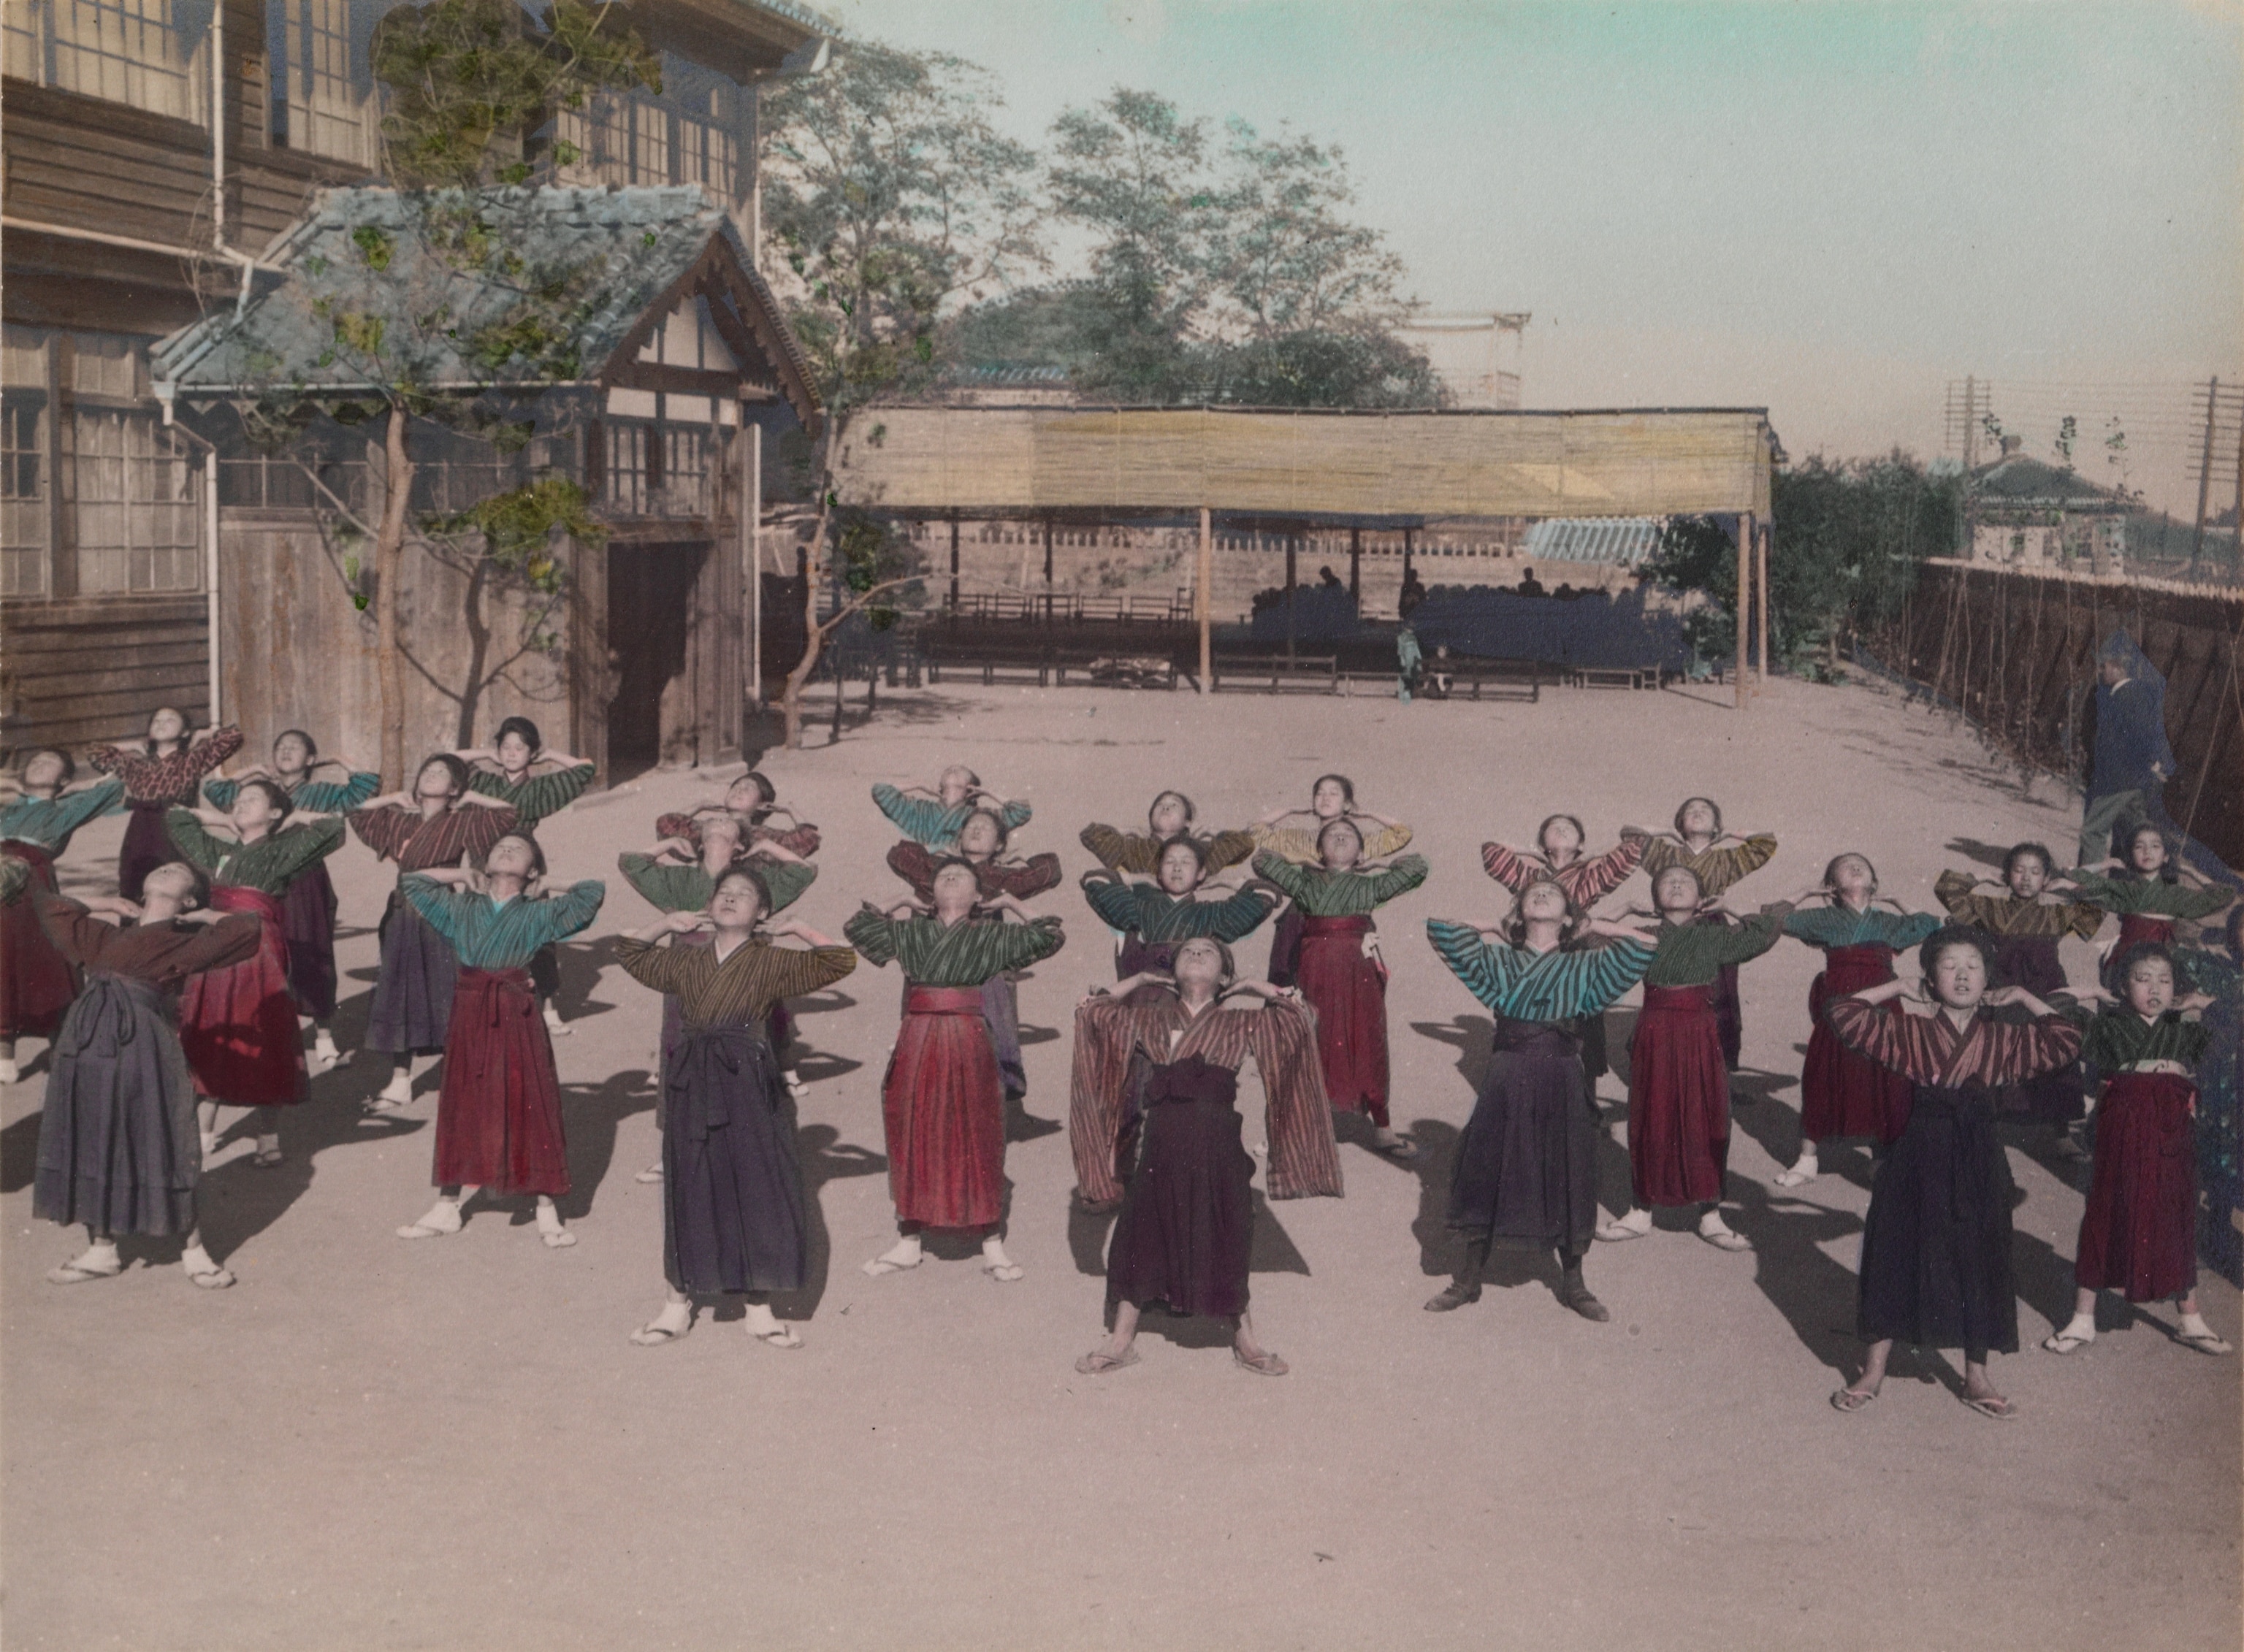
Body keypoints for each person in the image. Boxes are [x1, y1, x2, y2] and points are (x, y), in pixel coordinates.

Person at [1826, 928, 2083, 1420]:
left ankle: (1976, 1375)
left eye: (1973, 966)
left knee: (1978, 1253)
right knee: (1894, 1249)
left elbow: (2066, 1037)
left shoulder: (2004, 1038)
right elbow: (1844, 1013)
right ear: (1930, 979)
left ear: (1989, 979)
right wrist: (1896, 988)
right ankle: (1873, 1369)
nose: (1962, 974)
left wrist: (2027, 996)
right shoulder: (1911, 1032)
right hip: (1916, 1151)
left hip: (1978, 1153)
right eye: (1949, 965)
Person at [1070, 938, 1342, 1377]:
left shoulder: (1241, 1021)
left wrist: (1256, 985)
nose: (1196, 954)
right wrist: (1138, 978)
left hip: (1218, 1143)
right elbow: (1092, 1012)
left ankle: (1245, 1340)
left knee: (1229, 1228)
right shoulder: (1149, 1018)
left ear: (1225, 976)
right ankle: (1122, 1339)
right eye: (1186, 952)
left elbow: (1302, 1017)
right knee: (1142, 1230)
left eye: (1209, 953)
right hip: (1160, 1141)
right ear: (1171, 973)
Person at [614, 873, 857, 1348]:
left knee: (755, 1185)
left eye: (744, 895)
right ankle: (675, 1303)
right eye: (723, 892)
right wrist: (665, 923)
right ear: (708, 905)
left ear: (762, 914)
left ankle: (758, 1307)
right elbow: (629, 952)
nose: (730, 897)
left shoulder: (770, 960)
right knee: (689, 1182)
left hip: (747, 1077)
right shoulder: (686, 959)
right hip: (691, 1079)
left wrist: (801, 928)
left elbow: (838, 960)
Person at [1421, 882, 1657, 1320]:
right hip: (1507, 1070)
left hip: (1562, 1071)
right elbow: (1443, 931)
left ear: (1568, 916)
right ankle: (1468, 1280)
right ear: (1520, 910)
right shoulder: (1499, 959)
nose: (1542, 895)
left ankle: (1574, 1282)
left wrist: (1592, 925)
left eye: (1553, 893)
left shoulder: (1584, 965)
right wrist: (1495, 924)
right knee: (1488, 1165)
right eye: (1533, 894)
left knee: (1567, 1166)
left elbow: (1646, 946)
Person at [32, 863, 262, 1289]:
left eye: (182, 875)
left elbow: (247, 929)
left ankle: (194, 1251)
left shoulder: (183, 944)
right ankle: (102, 1249)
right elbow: (52, 908)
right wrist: (107, 902)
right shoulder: (105, 935)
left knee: (163, 1135)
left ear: (189, 899)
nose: (169, 866)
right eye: (162, 867)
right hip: (83, 1047)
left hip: (142, 1045)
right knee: (92, 1138)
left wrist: (200, 917)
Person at [845, 863, 1065, 1282]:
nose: (950, 878)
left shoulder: (992, 935)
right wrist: (906, 901)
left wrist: (1009, 902)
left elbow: (1049, 935)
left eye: (962, 877)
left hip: (968, 1034)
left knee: (978, 1130)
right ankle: (909, 1240)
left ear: (979, 898)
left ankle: (992, 1243)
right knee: (911, 1126)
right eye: (942, 875)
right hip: (919, 1034)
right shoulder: (910, 932)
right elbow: (859, 927)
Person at [391, 838, 604, 1246]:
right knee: (462, 1100)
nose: (507, 850)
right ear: (485, 864)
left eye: (519, 850)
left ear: (533, 870)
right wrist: (459, 874)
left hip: (515, 1009)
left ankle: (546, 1207)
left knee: (530, 1100)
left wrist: (543, 885)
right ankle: (447, 1205)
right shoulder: (460, 906)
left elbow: (592, 891)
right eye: (501, 847)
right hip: (470, 1009)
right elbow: (412, 881)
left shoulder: (540, 913)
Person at [1071, 843, 1283, 1207]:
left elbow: (1266, 894)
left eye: (1188, 863)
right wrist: (1136, 880)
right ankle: (1117, 1177)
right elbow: (1094, 880)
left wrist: (1228, 883)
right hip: (1143, 1002)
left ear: (1202, 873)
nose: (1177, 868)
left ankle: (1185, 1183)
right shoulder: (1140, 907)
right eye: (1169, 862)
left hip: (1192, 1004)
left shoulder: (1211, 913)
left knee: (1186, 1091)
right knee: (1128, 1088)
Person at [1595, 865, 1796, 1251]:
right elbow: (1587, 939)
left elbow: (1763, 933)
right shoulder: (1645, 936)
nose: (1675, 884)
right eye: (1666, 882)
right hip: (1654, 1031)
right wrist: (1623, 910)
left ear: (1701, 899)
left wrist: (1732, 908)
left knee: (1708, 1116)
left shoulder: (1714, 936)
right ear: (1655, 900)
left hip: (1701, 1032)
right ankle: (1640, 1210)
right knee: (1649, 1117)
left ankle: (1710, 1214)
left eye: (1685, 882)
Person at [2042, 945, 2229, 1357]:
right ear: (2123, 987)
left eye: (2165, 980)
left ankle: (2191, 1318)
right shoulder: (2107, 1029)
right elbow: (2053, 1005)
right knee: (2105, 1212)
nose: (2155, 989)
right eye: (2142, 979)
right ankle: (2082, 1318)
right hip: (2120, 1130)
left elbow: (2236, 1015)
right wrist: (2092, 991)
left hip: (2173, 1132)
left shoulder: (2187, 1032)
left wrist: (2202, 1001)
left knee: (2176, 1214)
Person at [618, 817, 820, 1182]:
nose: (718, 824)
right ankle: (671, 1151)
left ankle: (744, 1149)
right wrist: (668, 844)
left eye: (729, 828)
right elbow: (630, 862)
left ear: (740, 846)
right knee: (677, 1053)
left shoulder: (754, 884)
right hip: (687, 972)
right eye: (710, 826)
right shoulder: (679, 881)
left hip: (739, 975)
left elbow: (804, 873)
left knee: (739, 1057)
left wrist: (768, 847)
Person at [164, 787, 347, 1167]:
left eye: (253, 800)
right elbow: (177, 818)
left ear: (276, 813)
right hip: (215, 944)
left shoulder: (283, 850)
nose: (240, 804)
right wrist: (222, 819)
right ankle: (204, 1131)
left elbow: (333, 827)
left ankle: (268, 1134)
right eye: (238, 800)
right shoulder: (218, 852)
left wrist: (294, 820)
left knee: (263, 1029)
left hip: (258, 948)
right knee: (211, 1027)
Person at [348, 756, 519, 1110]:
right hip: (403, 909)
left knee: (446, 989)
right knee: (400, 990)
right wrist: (390, 798)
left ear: (454, 788)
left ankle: (462, 1075)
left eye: (442, 773)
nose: (431, 774)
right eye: (427, 770)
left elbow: (508, 813)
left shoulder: (461, 821)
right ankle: (400, 1081)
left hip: (441, 910)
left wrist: (472, 798)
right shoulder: (400, 820)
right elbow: (357, 812)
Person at [1252, 825, 1430, 1158]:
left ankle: (1383, 1130)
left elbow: (1417, 866)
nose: (1339, 836)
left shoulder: (1370, 886)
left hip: (1357, 968)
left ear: (1360, 852)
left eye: (1350, 835)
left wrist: (1375, 862)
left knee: (1367, 1037)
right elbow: (1262, 860)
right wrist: (1304, 860)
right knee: (1308, 1039)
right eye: (1331, 835)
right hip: (1315, 966)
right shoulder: (1304, 883)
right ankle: (1286, 1131)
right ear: (1319, 851)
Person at [205, 730, 378, 1069]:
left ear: (311, 759)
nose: (285, 752)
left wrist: (339, 761)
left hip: (303, 878)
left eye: (295, 748)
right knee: (261, 949)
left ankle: (324, 1034)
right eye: (280, 747)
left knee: (311, 947)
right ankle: (262, 1028)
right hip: (258, 875)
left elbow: (366, 786)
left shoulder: (319, 792)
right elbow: (215, 789)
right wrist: (251, 770)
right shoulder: (257, 794)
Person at [1773, 854, 1941, 1187]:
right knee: (1823, 1075)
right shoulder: (1824, 917)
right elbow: (1773, 918)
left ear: (1874, 883)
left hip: (1885, 1003)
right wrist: (1807, 891)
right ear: (1832, 886)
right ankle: (1807, 1159)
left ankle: (1882, 1159)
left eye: (1862, 865)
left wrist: (1896, 900)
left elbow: (1931, 925)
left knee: (1888, 1080)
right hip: (1839, 1002)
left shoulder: (1886, 920)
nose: (1855, 866)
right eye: (1844, 866)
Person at [886, 807, 1061, 1104]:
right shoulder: (937, 871)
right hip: (934, 964)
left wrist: (1018, 866)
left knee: (986, 1040)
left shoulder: (1003, 877)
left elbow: (1049, 869)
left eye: (986, 829)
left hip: (982, 966)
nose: (977, 831)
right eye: (970, 827)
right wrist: (937, 855)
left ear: (1000, 845)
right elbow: (899, 854)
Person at [1934, 843, 2102, 1136]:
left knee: (2054, 1051)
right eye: (2018, 870)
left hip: (2046, 988)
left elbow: (2094, 916)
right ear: (2007, 875)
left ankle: (2058, 1131)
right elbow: (1946, 889)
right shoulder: (1992, 908)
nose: (2026, 878)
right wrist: (1980, 877)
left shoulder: (2056, 912)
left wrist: (2072, 886)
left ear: (2046, 878)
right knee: (1996, 1051)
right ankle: (1986, 1126)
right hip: (2001, 988)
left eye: (2036, 872)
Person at [1480, 814, 1649, 1090]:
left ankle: (1586, 1105)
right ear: (1542, 842)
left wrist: (1592, 856)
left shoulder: (1588, 876)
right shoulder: (1530, 878)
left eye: (1569, 829)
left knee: (1581, 1033)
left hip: (1573, 956)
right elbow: (1491, 850)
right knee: (1529, 1030)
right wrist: (1531, 852)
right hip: (1532, 955)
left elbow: (1634, 847)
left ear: (1581, 844)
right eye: (1552, 828)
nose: (1561, 829)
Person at [457, 716, 596, 1034]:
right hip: (484, 859)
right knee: (478, 930)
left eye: (520, 748)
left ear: (531, 753)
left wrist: (549, 756)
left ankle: (548, 1007)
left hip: (525, 861)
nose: (511, 754)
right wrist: (484, 753)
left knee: (538, 933)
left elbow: (585, 769)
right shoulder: (486, 782)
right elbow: (450, 762)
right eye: (505, 747)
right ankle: (480, 1002)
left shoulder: (539, 788)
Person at [0, 750, 124, 1084]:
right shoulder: (8, 808)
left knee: (45, 961)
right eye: (34, 759)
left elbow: (112, 788)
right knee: (2, 961)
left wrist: (77, 787)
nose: (38, 762)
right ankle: (4, 1052)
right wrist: (11, 782)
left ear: (65, 779)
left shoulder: (64, 809)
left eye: (49, 762)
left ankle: (60, 1042)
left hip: (30, 883)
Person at [1631, 798, 1778, 1071]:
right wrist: (1665, 832)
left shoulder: (1726, 859)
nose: (1697, 814)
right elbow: (1631, 836)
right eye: (1689, 812)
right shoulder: (1666, 854)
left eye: (1705, 812)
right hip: (1671, 928)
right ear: (1680, 824)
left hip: (1711, 927)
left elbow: (1765, 843)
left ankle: (1721, 1076)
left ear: (1716, 826)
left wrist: (1730, 834)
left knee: (1721, 997)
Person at [1252, 773, 1413, 987]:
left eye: (1334, 794)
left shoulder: (1356, 840)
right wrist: (1291, 811)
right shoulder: (1299, 838)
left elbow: (1403, 833)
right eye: (1319, 793)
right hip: (1300, 916)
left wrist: (1367, 814)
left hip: (1347, 916)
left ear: (1347, 804)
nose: (1325, 798)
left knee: (1351, 985)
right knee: (1288, 980)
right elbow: (1255, 831)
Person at [88, 709, 243, 902]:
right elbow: (95, 753)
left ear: (185, 732)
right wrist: (131, 746)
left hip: (177, 825)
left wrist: (203, 735)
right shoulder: (136, 765)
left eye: (170, 720)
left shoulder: (193, 759)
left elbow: (233, 737)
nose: (162, 723)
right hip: (141, 829)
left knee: (182, 881)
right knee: (135, 881)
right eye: (156, 721)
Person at [2058, 822, 2235, 992]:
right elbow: (2074, 874)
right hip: (2127, 961)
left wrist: (2190, 871)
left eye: (2155, 846)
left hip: (2165, 964)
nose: (2147, 852)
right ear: (2130, 856)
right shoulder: (2124, 889)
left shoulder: (2176, 895)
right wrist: (2109, 863)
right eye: (2139, 846)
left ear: (2166, 856)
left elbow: (2224, 894)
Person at [2077, 632, 2175, 871]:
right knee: (2137, 833)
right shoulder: (2115, 695)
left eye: (2105, 666)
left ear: (2119, 667)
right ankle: (2143, 882)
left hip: (2117, 779)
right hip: (2128, 780)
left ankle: (2090, 892)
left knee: (2093, 832)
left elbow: (2143, 736)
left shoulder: (2130, 696)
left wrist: (2145, 765)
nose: (2101, 671)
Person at [1080, 791, 1256, 879]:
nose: (1165, 807)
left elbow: (1245, 844)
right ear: (1150, 819)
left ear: (1188, 821)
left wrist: (1212, 831)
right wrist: (1127, 830)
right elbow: (1090, 835)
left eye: (1174, 806)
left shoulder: (1198, 850)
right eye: (1160, 805)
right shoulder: (1135, 847)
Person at [655, 771, 821, 861]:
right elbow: (667, 824)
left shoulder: (763, 835)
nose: (739, 790)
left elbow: (807, 838)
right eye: (736, 787)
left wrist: (790, 809)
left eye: (749, 788)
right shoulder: (708, 827)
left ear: (762, 805)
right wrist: (700, 805)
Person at [871, 766, 1031, 852]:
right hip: (926, 877)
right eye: (949, 769)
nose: (954, 769)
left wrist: (988, 793)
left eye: (961, 770)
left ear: (971, 788)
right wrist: (918, 785)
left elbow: (1021, 811)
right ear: (941, 785)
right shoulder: (921, 811)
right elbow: (880, 791)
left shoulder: (979, 815)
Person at [1397, 623, 1423, 704]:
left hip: (1413, 658)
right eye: (1409, 629)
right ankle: (1403, 691)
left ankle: (1411, 691)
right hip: (1406, 657)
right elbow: (1400, 650)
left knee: (1413, 675)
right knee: (1405, 675)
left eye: (1411, 629)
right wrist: (1402, 659)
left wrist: (1419, 659)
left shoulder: (1413, 638)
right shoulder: (1401, 637)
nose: (1410, 631)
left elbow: (1416, 649)